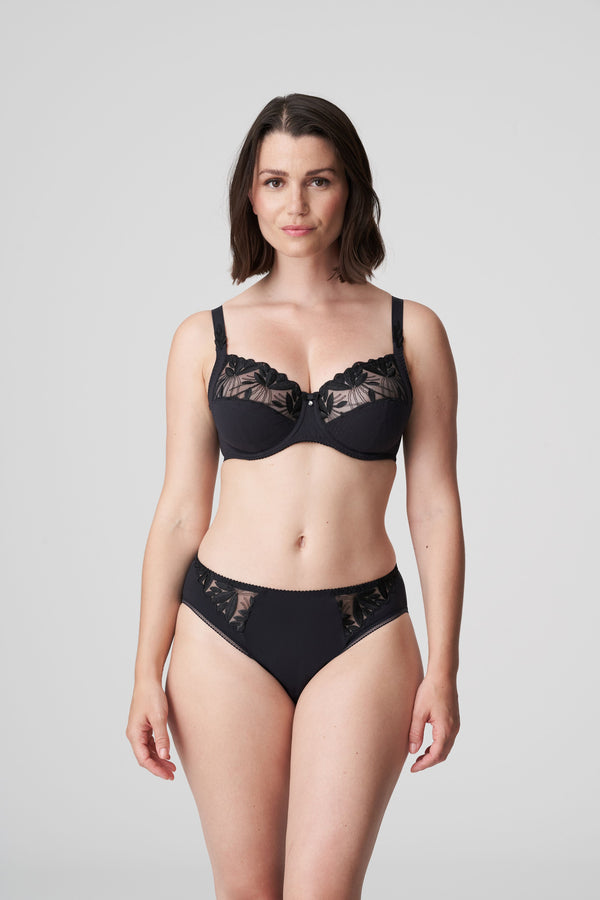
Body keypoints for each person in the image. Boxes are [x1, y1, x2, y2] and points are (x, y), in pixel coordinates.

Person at [126, 92, 464, 899]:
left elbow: (435, 507)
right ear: (250, 194)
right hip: (222, 631)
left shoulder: (412, 329)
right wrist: (144, 671)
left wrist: (445, 670)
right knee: (246, 891)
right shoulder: (202, 336)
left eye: (319, 180)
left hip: (363, 632)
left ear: (351, 190)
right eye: (275, 182)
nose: (297, 205)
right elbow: (179, 512)